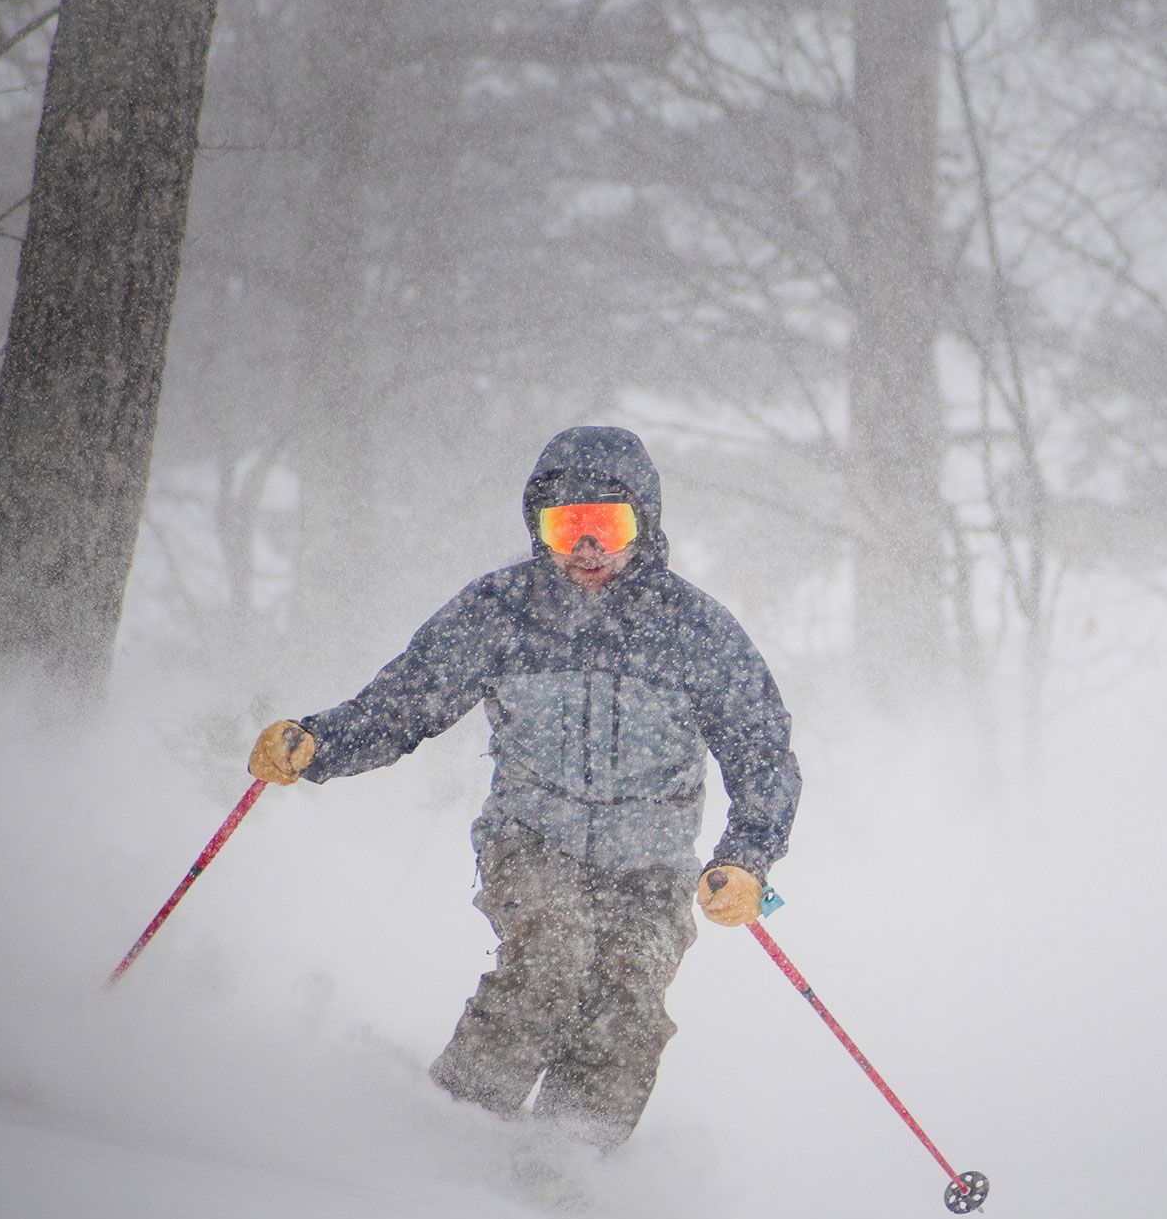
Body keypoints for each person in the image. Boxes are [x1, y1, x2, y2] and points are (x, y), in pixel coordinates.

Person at [246, 426, 800, 1149]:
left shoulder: (694, 630)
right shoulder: (503, 612)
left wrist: (748, 858)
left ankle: (569, 1163)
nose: (589, 549)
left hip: (652, 864)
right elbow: (406, 701)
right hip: (534, 842)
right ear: (540, 531)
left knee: (629, 995)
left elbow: (762, 750)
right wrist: (319, 743)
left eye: (610, 526)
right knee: (554, 949)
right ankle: (454, 1133)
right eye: (567, 527)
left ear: (646, 527)